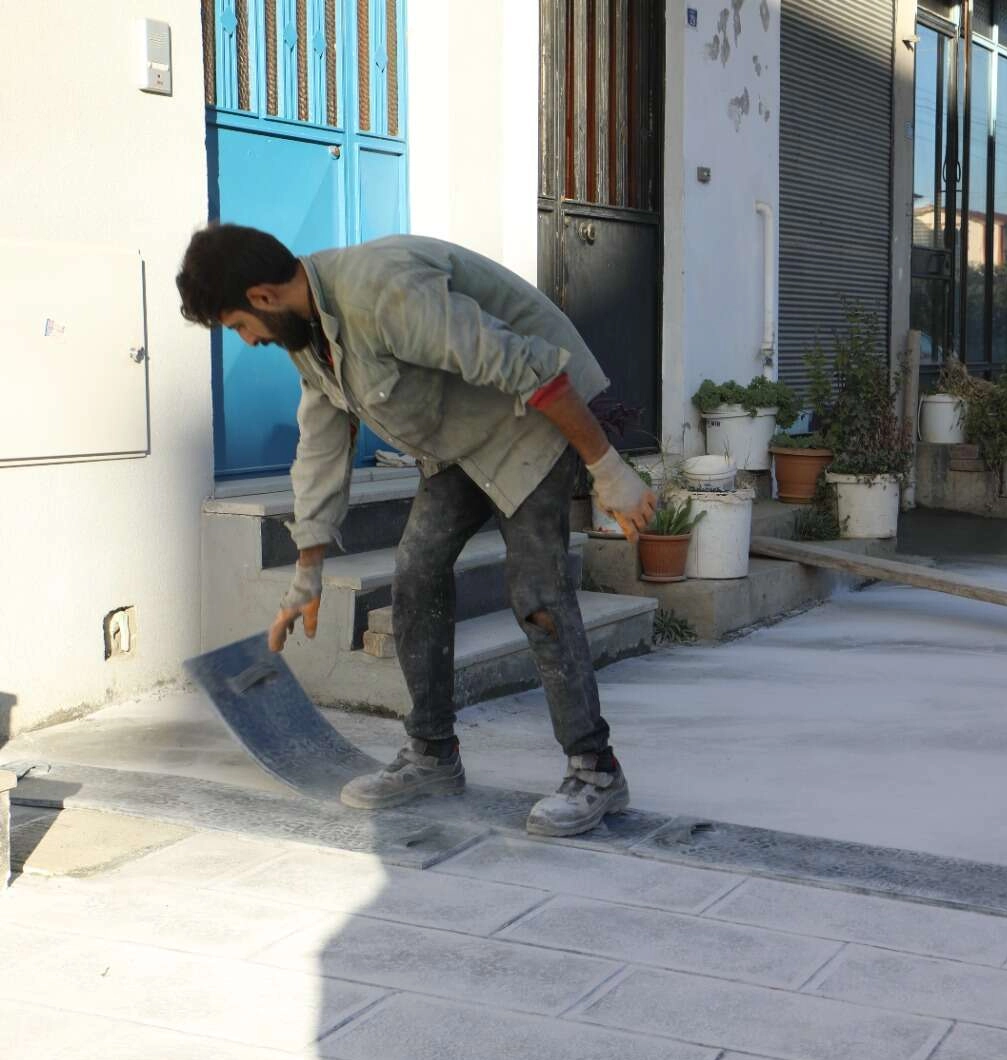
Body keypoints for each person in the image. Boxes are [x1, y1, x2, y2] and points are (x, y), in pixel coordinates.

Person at [177, 224, 656, 836]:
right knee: (416, 576)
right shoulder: (308, 337)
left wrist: (607, 468)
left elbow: (530, 367)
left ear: (263, 297)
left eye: (241, 326)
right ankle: (433, 755)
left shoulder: (383, 292)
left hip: (533, 420)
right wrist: (307, 570)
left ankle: (596, 771)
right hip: (459, 443)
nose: (249, 340)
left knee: (537, 595)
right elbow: (322, 443)